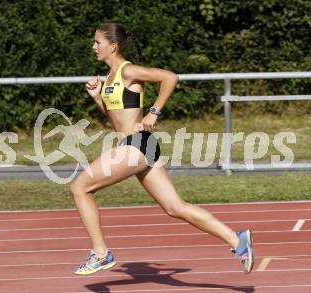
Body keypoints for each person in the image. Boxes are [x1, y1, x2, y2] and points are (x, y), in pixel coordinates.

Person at [70, 22, 254, 275]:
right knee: (174, 208)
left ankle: (101, 254)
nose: (93, 47)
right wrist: (99, 98)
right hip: (135, 145)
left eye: (97, 42)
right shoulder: (111, 78)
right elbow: (118, 122)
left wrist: (154, 113)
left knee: (79, 187)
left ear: (112, 46)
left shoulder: (128, 70)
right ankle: (237, 240)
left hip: (137, 145)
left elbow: (170, 77)